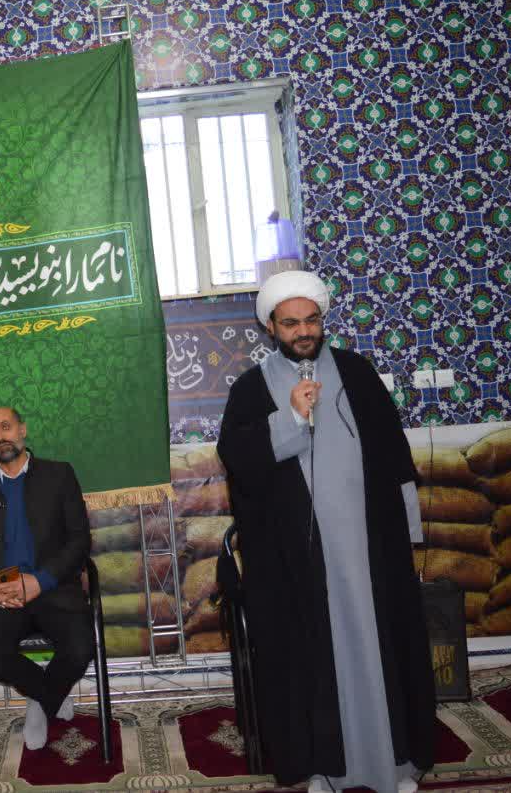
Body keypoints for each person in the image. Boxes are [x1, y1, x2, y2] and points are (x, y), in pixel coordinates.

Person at [216, 270, 435, 793]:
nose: (303, 331)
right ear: (271, 327)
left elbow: (394, 454)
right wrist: (290, 418)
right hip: (299, 563)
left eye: (311, 320)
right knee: (311, 663)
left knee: (388, 651)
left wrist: (409, 532)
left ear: (322, 321)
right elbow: (238, 459)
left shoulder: (357, 373)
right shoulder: (250, 389)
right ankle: (324, 769)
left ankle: (398, 765)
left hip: (371, 552)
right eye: (291, 323)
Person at [0, 406, 94, 750]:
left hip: (52, 586)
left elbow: (79, 540)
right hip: (1, 592)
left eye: (6, 427)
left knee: (80, 648)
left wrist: (39, 581)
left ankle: (39, 700)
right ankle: (47, 693)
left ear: (22, 430)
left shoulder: (59, 475)